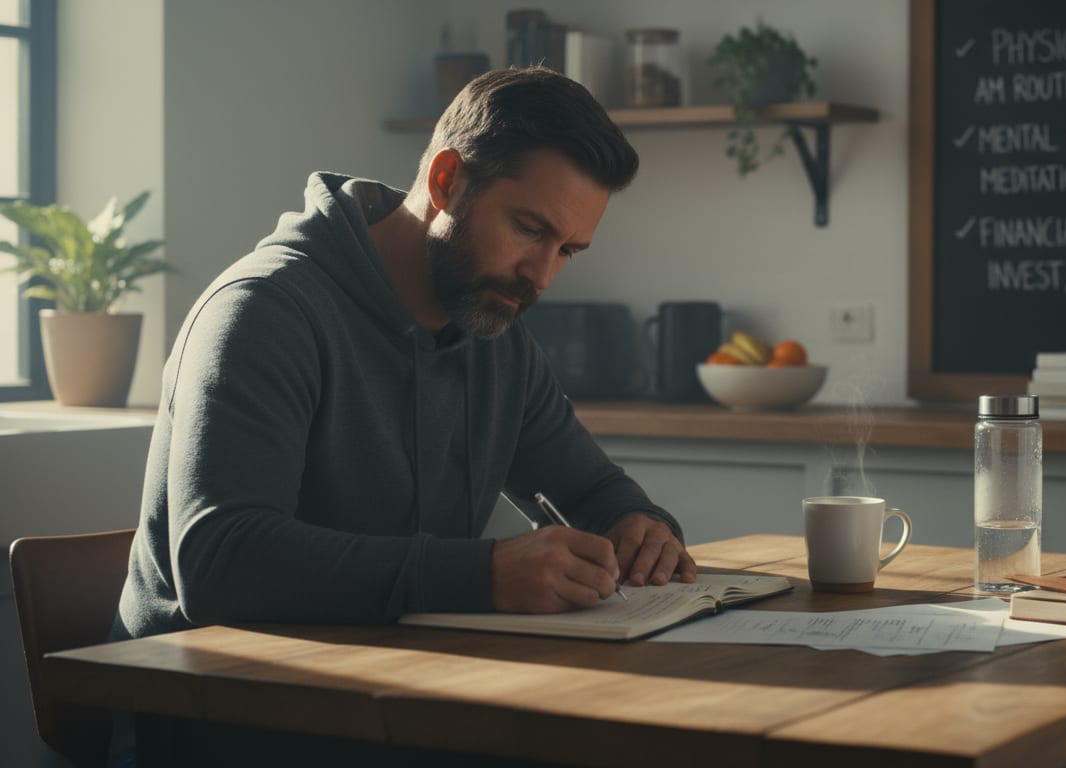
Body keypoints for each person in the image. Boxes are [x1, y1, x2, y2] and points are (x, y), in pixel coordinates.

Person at [112, 66, 697, 648]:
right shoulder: (263, 312)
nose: (540, 276)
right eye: (527, 229)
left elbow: (592, 489)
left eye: (567, 250)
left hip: (391, 690)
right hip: (215, 707)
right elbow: (221, 562)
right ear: (446, 181)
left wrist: (641, 529)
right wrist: (483, 575)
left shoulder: (493, 328)